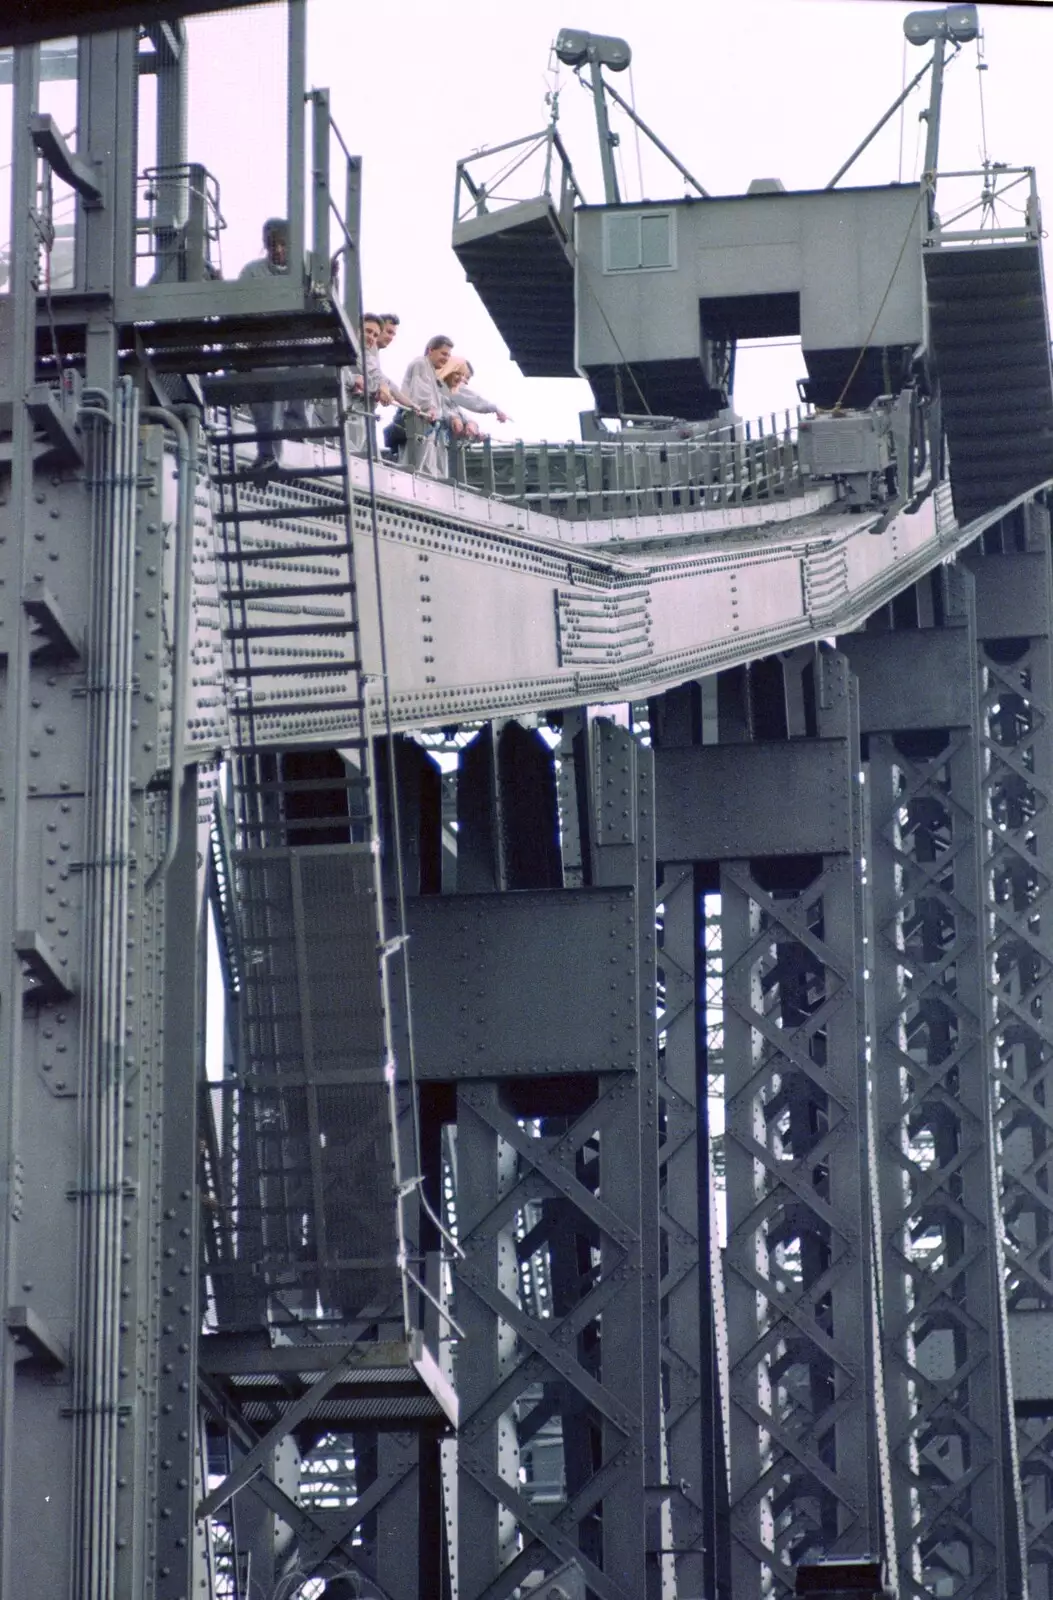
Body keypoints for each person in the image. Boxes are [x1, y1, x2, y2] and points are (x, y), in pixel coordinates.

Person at [238, 218, 307, 473]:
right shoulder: (252, 272)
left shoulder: (306, 268)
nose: (277, 251)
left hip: (299, 347)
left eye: (283, 245)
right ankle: (269, 453)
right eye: (272, 245)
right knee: (267, 385)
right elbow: (239, 309)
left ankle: (293, 434)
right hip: (264, 347)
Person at [399, 335, 453, 476]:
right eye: (443, 353)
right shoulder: (421, 364)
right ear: (430, 350)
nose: (446, 358)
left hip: (426, 422)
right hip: (420, 420)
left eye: (448, 355)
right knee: (418, 467)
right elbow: (420, 392)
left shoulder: (430, 369)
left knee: (424, 466)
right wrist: (430, 409)